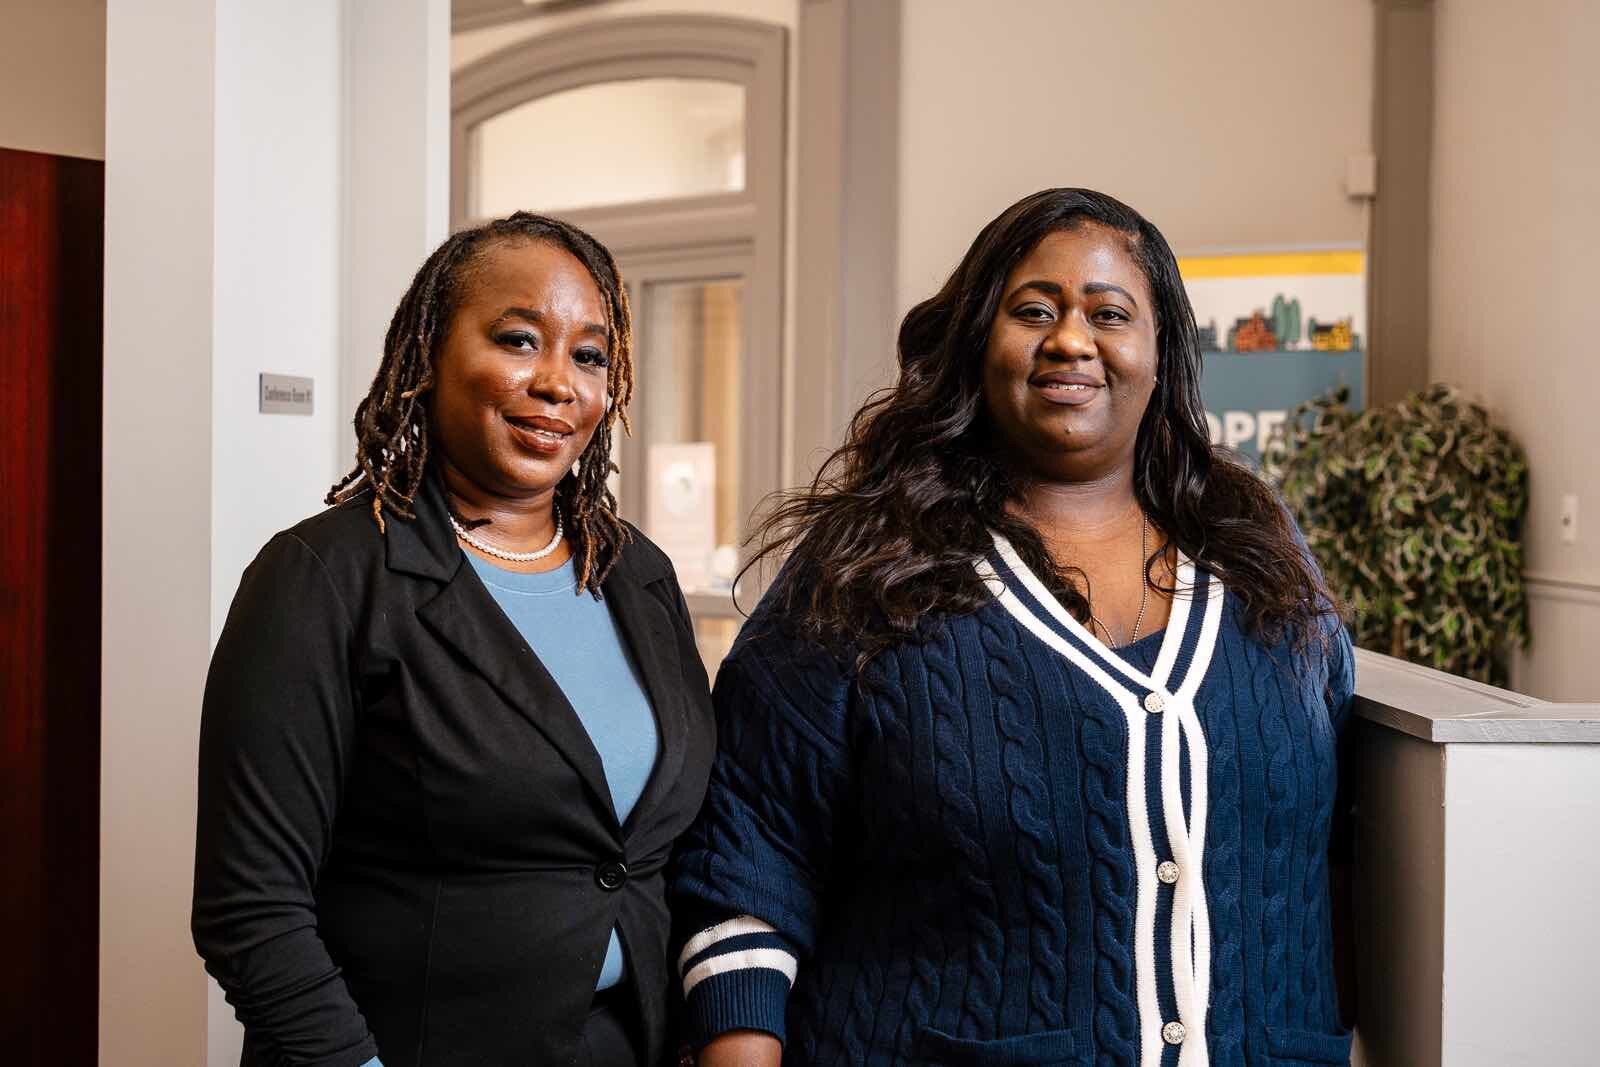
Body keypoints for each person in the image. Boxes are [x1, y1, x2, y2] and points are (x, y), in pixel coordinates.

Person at [671, 188, 1355, 1066]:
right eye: (1034, 310)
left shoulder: (1262, 564)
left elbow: (1338, 851)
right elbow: (747, 851)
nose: (1071, 339)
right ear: (976, 343)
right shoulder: (866, 570)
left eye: (1109, 313)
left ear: (1161, 352)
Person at [193, 213, 715, 1066]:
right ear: (430, 352)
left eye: (588, 356)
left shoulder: (639, 575)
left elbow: (667, 854)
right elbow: (249, 907)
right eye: (519, 339)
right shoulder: (326, 577)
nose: (558, 382)